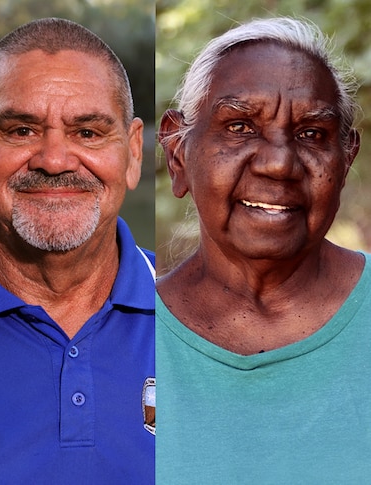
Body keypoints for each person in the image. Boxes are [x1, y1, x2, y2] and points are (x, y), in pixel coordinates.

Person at [0, 17, 155, 483]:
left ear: (134, 152)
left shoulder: (201, 315)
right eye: (21, 131)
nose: (55, 160)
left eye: (89, 133)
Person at [157, 17, 370, 482]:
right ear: (178, 154)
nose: (278, 163)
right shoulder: (121, 330)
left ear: (346, 158)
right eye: (239, 126)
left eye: (313, 133)